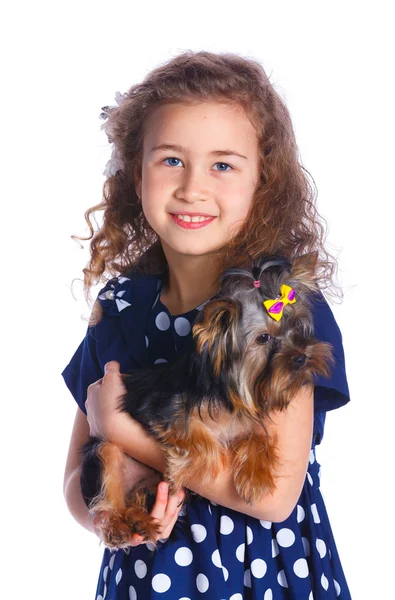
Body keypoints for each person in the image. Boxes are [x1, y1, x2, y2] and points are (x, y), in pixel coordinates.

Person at [62, 50, 352, 599]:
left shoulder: (281, 301)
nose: (193, 188)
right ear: (135, 170)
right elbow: (78, 483)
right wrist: (108, 519)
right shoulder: (120, 308)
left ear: (263, 180)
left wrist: (124, 434)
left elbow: (273, 496)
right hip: (149, 579)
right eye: (170, 159)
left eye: (223, 164)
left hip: (264, 573)